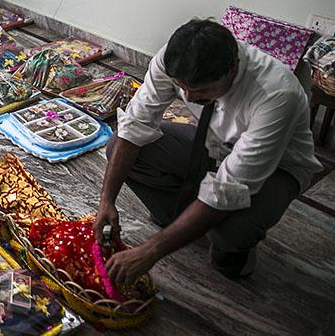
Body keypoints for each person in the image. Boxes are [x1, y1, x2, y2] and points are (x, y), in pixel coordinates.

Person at [94, 19, 322, 283]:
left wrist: (150, 251)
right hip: (214, 143)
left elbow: (228, 190)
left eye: (202, 91)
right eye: (183, 87)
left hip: (277, 167)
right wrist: (106, 201)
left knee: (229, 232)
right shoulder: (175, 58)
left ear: (233, 68)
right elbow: (136, 125)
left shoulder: (277, 94)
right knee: (118, 147)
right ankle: (181, 220)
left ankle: (233, 251)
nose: (188, 98)